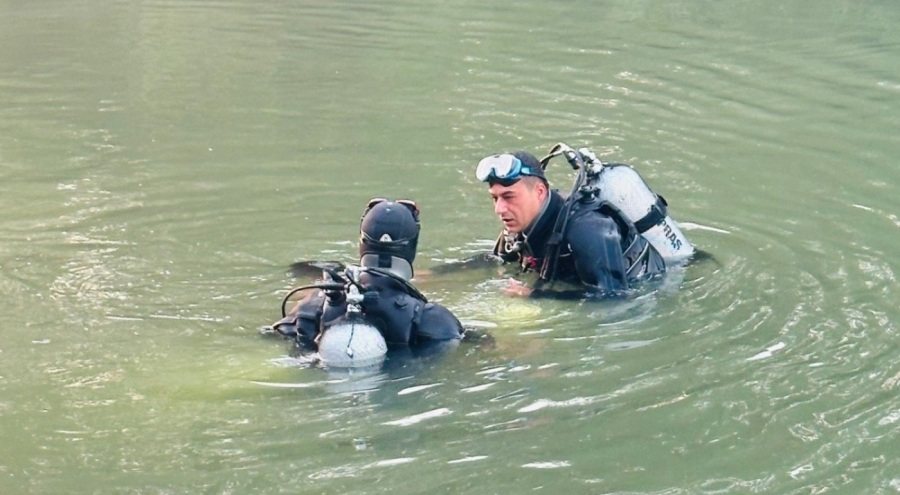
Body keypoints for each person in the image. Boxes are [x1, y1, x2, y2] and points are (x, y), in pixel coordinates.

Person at [267, 198, 464, 356]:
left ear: (362, 243)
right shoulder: (431, 318)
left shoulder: (315, 305)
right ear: (411, 247)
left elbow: (275, 336)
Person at [476, 149, 671, 299]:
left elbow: (612, 298)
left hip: (655, 289)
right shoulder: (518, 225)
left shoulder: (588, 229)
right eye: (495, 198)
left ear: (540, 192)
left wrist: (535, 295)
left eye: (509, 197)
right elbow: (494, 261)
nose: (499, 209)